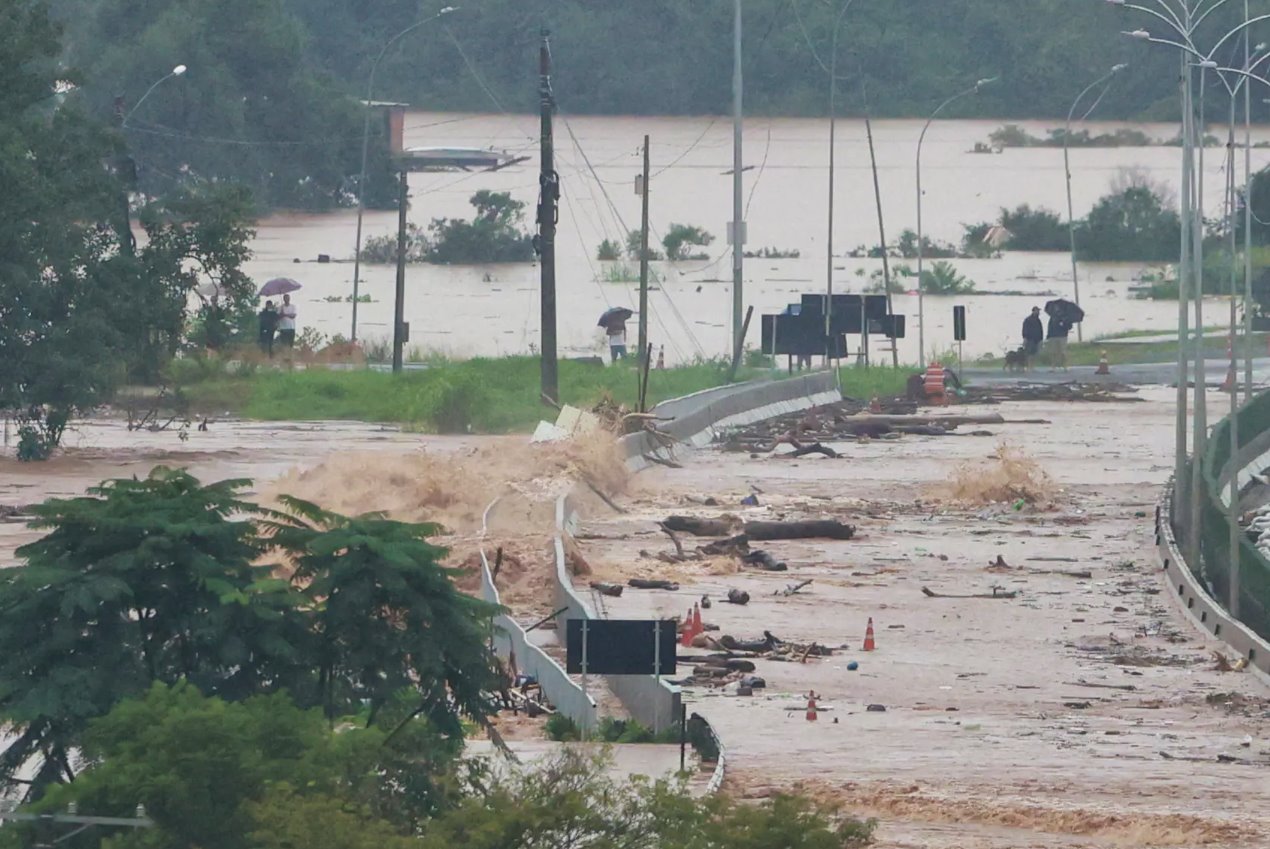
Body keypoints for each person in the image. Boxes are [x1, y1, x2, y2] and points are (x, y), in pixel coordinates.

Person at [1022, 306, 1044, 371]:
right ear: (1033, 311)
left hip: (1037, 339)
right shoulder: (1028, 320)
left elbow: (1040, 330)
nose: (1038, 312)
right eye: (1037, 311)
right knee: (1029, 353)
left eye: (1038, 311)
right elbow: (1024, 329)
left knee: (1034, 353)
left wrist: (1041, 339)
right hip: (1030, 339)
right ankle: (1028, 366)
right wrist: (1025, 337)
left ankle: (1032, 366)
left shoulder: (1038, 320)